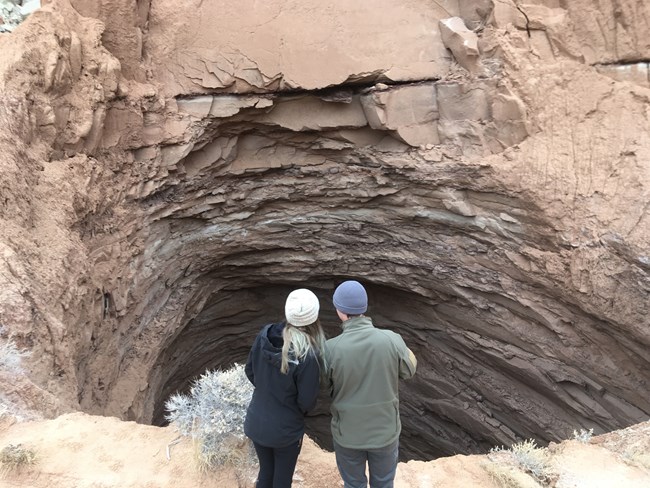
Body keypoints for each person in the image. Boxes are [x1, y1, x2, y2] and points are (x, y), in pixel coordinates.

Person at [325, 280, 417, 488]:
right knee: (384, 484)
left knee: (354, 484)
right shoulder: (392, 340)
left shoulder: (330, 349)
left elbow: (322, 383)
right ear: (364, 308)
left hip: (348, 435)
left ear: (339, 311)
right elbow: (409, 369)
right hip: (385, 432)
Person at [244, 288, 327, 488]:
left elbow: (250, 371)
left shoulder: (264, 335)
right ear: (314, 316)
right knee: (281, 480)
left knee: (265, 474)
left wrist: (267, 389)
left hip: (256, 422)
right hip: (285, 430)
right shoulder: (308, 353)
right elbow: (306, 401)